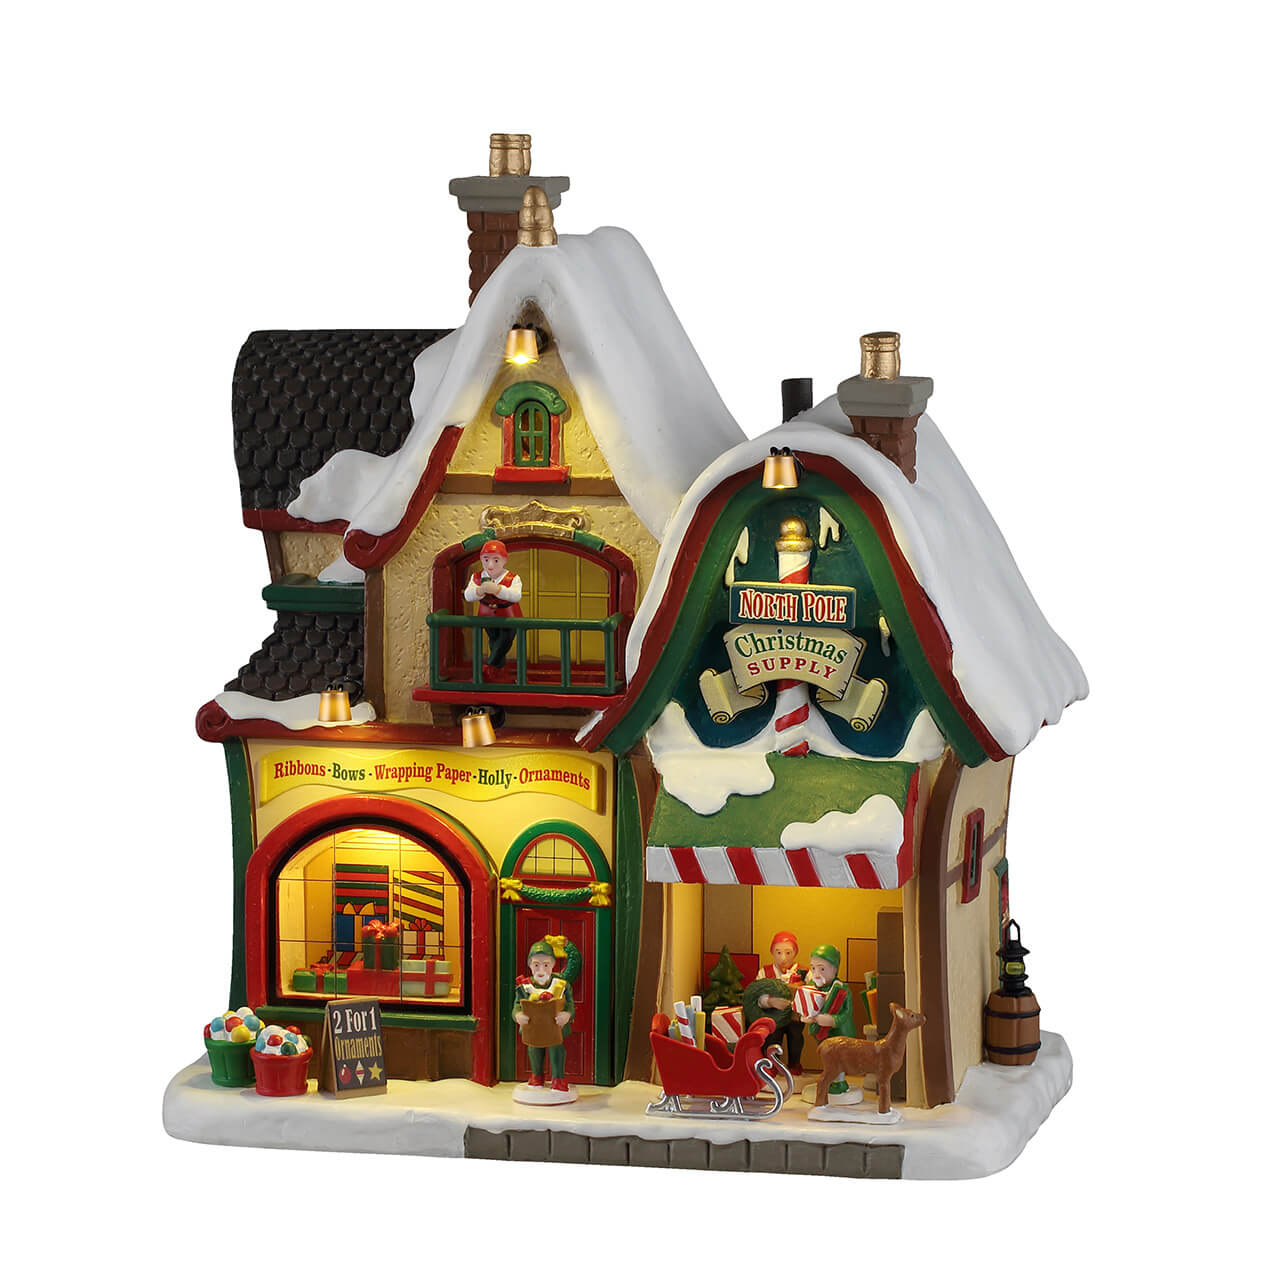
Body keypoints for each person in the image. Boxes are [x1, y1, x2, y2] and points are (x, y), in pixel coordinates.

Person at [512, 940, 574, 1091]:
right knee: (534, 1049)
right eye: (536, 965)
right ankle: (537, 1076)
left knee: (556, 1049)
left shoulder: (562, 985)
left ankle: (558, 1078)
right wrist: (518, 1015)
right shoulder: (524, 987)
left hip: (554, 1026)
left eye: (546, 965)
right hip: (533, 1027)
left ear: (553, 965)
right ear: (530, 965)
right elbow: (517, 1006)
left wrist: (566, 1015)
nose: (541, 970)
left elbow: (570, 1005)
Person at [799, 942, 858, 1099]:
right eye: (813, 968)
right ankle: (830, 1080)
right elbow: (807, 1005)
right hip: (821, 1034)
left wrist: (831, 1020)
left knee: (837, 1057)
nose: (816, 973)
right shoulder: (812, 987)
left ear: (835, 969)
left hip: (839, 1033)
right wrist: (806, 1016)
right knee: (827, 1057)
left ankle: (839, 1082)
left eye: (822, 969)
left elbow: (846, 1013)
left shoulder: (841, 989)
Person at [463, 539, 523, 678]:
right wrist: (479, 591)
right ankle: (497, 671)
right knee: (494, 641)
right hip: (487, 615)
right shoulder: (476, 577)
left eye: (496, 560)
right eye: (486, 560)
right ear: (481, 559)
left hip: (508, 617)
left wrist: (498, 590)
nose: (490, 565)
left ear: (504, 560)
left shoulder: (513, 578)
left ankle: (489, 666)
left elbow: (516, 595)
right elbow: (468, 595)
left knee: (505, 640)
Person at [755, 931, 805, 1072]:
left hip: (795, 1016)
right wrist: (770, 1001)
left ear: (795, 952)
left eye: (788, 953)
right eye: (778, 952)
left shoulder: (804, 972)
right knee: (773, 1039)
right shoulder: (764, 972)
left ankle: (795, 1065)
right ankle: (772, 1066)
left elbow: (812, 990)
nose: (783, 958)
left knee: (796, 1039)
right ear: (772, 952)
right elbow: (756, 995)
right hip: (774, 1017)